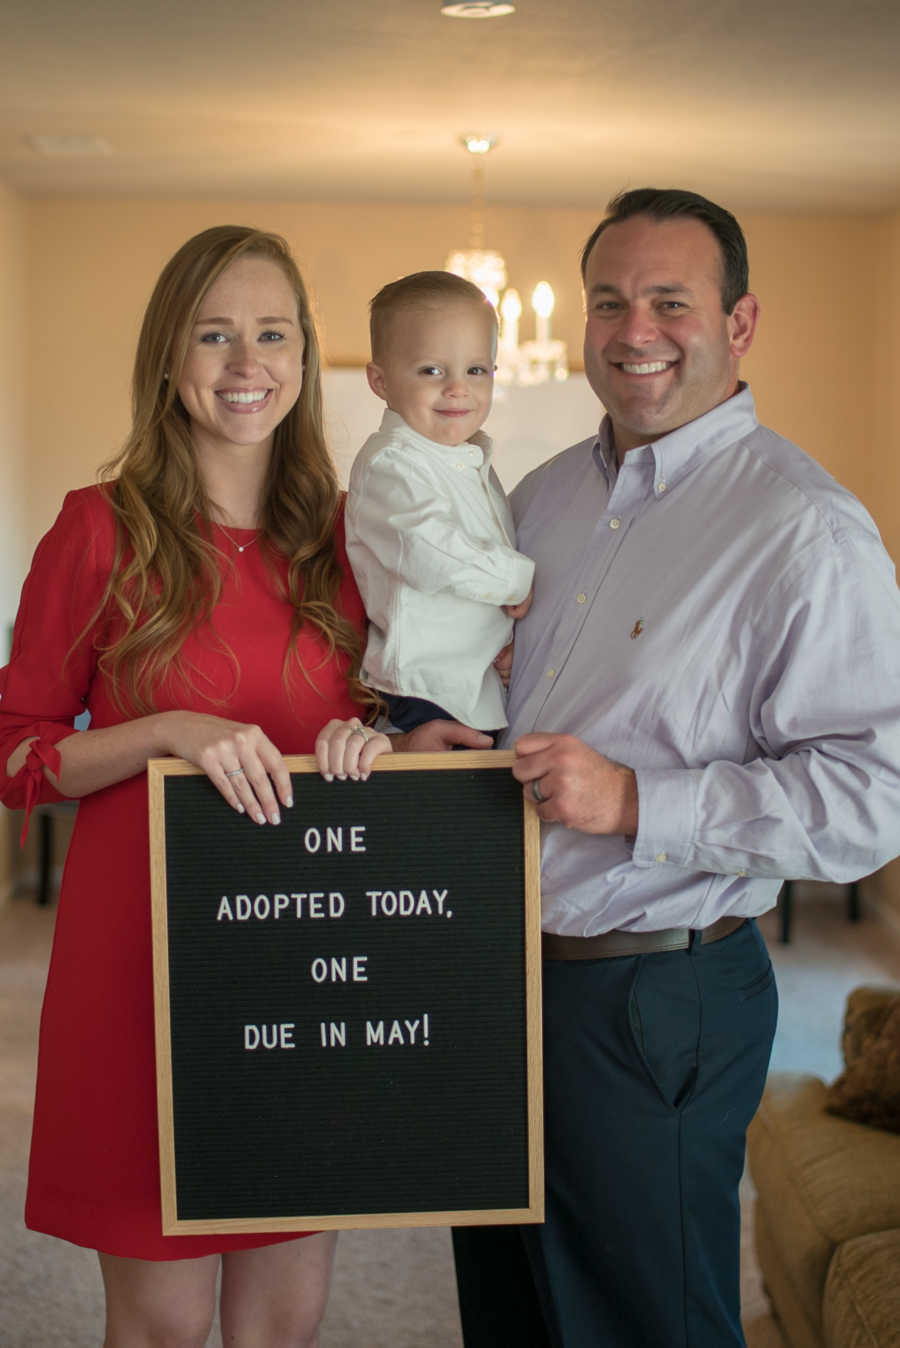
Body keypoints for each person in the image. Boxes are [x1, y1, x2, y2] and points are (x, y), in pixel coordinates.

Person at [318, 188, 900, 1347]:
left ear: (738, 324)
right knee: (514, 1311)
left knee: (642, 1323)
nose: (637, 329)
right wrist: (421, 735)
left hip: (652, 996)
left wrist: (638, 798)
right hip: (493, 973)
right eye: (611, 301)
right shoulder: (538, 497)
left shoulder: (805, 529)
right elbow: (481, 674)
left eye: (671, 301)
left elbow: (873, 798)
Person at [0, 224, 388, 1347]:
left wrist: (384, 741)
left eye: (271, 333)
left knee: (283, 1324)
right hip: (141, 971)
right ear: (169, 357)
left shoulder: (357, 540)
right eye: (213, 334)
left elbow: (417, 722)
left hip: (309, 970)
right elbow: (19, 753)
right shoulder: (97, 528)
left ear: (306, 358)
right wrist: (159, 730)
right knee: (162, 1324)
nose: (243, 362)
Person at [345, 270, 534, 735]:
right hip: (427, 693)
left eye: (476, 370)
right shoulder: (390, 465)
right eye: (431, 370)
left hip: (473, 686)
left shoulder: (467, 462)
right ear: (380, 380)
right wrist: (518, 579)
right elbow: (431, 551)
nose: (457, 388)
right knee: (442, 804)